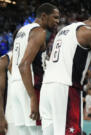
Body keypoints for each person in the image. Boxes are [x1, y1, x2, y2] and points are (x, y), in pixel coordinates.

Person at [11, 3, 59, 135]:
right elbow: (24, 65)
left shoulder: (22, 31)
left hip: (15, 85)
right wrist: (32, 97)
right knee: (37, 131)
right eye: (55, 17)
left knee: (22, 131)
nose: (57, 21)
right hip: (29, 85)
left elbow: (13, 64)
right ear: (44, 16)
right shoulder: (39, 32)